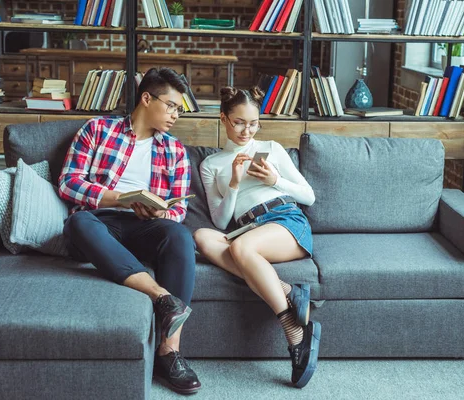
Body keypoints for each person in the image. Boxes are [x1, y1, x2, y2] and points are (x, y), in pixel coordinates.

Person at [59, 68, 201, 395]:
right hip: (100, 224)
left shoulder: (175, 150)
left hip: (145, 227)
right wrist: (121, 199)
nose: (175, 115)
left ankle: (170, 353)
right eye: (170, 106)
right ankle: (162, 297)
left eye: (180, 109)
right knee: (78, 223)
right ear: (146, 98)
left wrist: (161, 210)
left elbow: (178, 211)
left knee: (179, 235)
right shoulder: (98, 130)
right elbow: (68, 182)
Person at [194, 86, 321, 388]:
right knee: (201, 236)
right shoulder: (211, 165)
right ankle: (288, 290)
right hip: (245, 228)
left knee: (241, 248)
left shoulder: (273, 148)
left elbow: (309, 196)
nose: (246, 130)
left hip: (285, 220)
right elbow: (220, 220)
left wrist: (276, 180)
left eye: (253, 123)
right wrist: (235, 183)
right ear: (224, 119)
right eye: (239, 122)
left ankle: (293, 330)